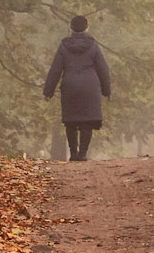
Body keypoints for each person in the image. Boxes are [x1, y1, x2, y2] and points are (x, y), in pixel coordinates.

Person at [43, 15, 111, 161]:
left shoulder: (63, 47)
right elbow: (103, 70)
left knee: (71, 121)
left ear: (70, 28)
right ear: (87, 28)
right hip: (90, 87)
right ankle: (83, 153)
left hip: (70, 86)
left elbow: (55, 69)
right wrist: (106, 90)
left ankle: (73, 153)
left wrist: (48, 90)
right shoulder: (93, 46)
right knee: (87, 121)